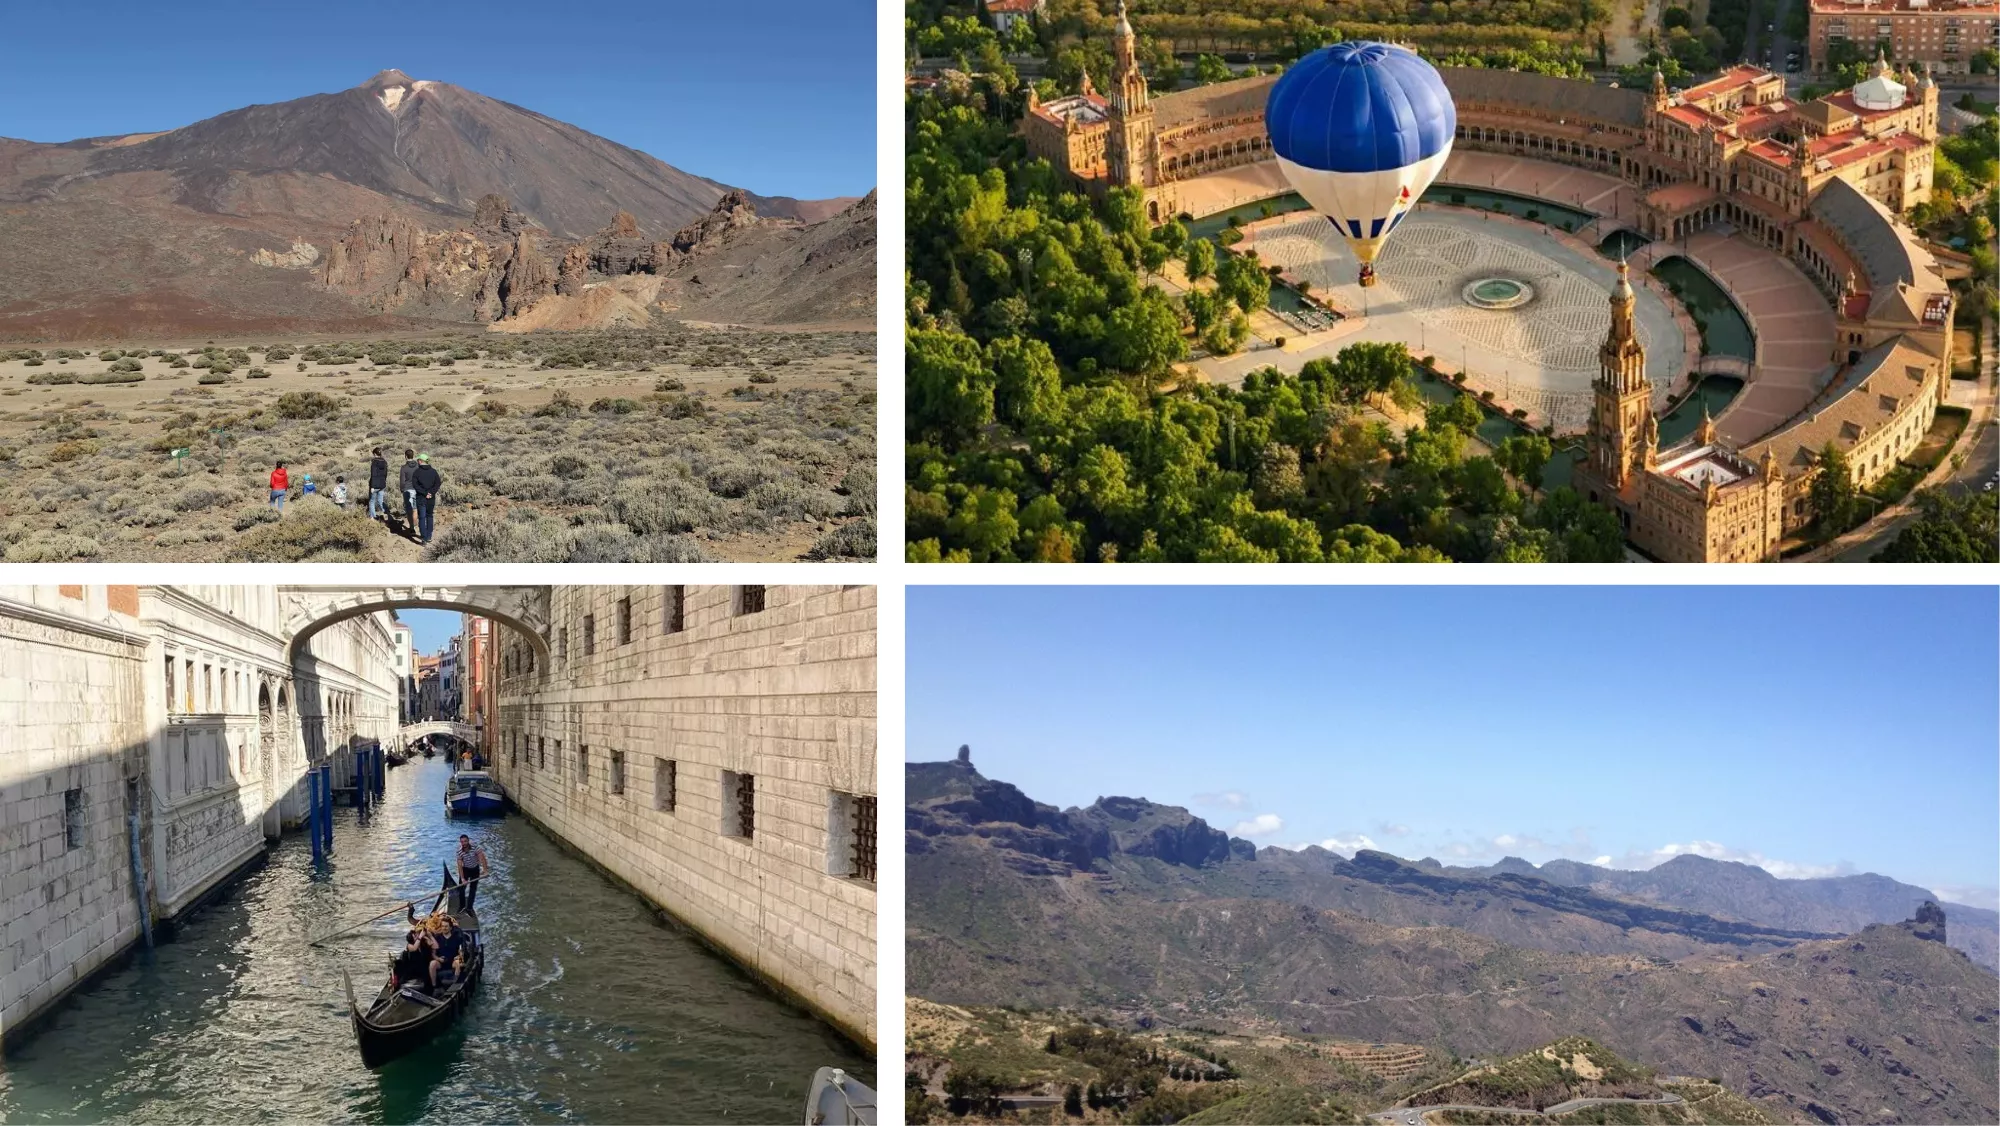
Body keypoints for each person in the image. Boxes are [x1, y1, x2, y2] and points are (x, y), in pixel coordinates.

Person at [429, 913, 468, 990]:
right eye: (443, 926)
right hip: (441, 962)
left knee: (458, 962)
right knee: (432, 964)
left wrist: (459, 956)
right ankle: (434, 986)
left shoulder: (457, 937)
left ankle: (455, 985)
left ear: (450, 928)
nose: (444, 928)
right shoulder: (437, 937)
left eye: (446, 926)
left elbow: (461, 951)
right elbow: (433, 954)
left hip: (453, 961)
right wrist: (438, 959)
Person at [411, 453, 443, 544]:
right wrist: (431, 493)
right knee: (430, 516)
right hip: (431, 498)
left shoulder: (417, 472)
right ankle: (429, 536)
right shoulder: (433, 471)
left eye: (418, 460)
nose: (417, 462)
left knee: (422, 517)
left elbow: (415, 485)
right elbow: (437, 483)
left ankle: (424, 538)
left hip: (421, 497)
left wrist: (425, 493)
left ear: (420, 461)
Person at [392, 926, 435, 991]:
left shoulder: (421, 944)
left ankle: (430, 988)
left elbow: (433, 945)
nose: (416, 937)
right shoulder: (409, 945)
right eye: (414, 936)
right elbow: (414, 948)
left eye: (416, 935)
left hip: (422, 966)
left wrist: (427, 937)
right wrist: (420, 936)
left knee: (425, 971)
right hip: (412, 968)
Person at [456, 833, 490, 910]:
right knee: (461, 889)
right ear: (460, 843)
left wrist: (485, 871)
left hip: (475, 869)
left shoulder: (475, 847)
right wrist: (462, 878)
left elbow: (482, 858)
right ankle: (462, 906)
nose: (464, 843)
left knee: (473, 889)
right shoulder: (459, 851)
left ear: (468, 841)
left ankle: (469, 908)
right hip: (465, 870)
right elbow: (459, 865)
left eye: (465, 841)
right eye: (462, 842)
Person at [398, 448, 420, 526]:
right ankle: (415, 524)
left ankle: (411, 527)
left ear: (406, 456)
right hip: (416, 489)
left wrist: (402, 489)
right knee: (415, 509)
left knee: (409, 509)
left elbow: (402, 480)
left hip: (407, 490)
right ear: (413, 456)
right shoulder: (417, 466)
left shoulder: (404, 467)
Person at [368, 448, 390, 520]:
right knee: (380, 500)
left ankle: (372, 517)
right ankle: (387, 514)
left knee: (372, 501)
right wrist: (384, 481)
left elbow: (373, 474)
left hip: (375, 485)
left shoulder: (374, 462)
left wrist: (372, 486)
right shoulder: (384, 462)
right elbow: (385, 474)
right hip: (382, 484)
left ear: (375, 454)